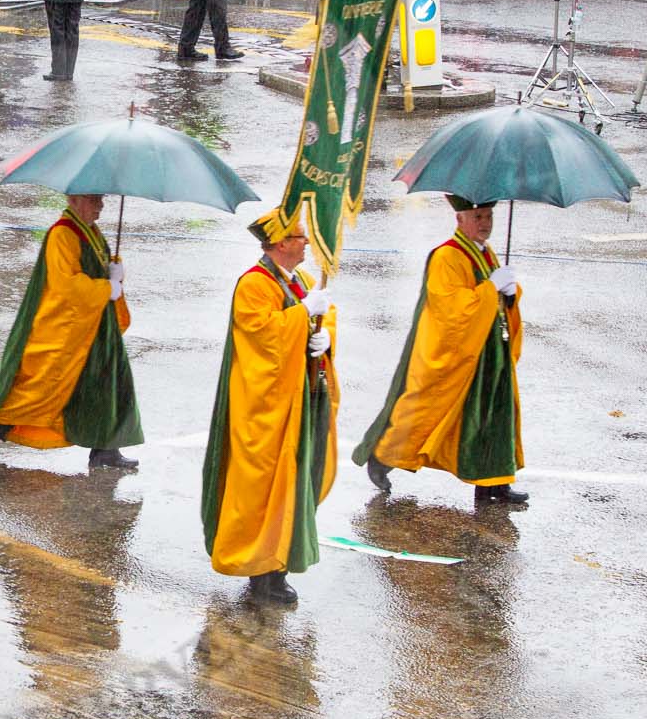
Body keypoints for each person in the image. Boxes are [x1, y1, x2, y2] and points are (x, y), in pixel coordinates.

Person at [201, 208, 338, 605]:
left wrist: (325, 336)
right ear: (279, 244)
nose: (306, 243)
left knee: (292, 484)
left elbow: (324, 319)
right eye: (298, 237)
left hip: (299, 398)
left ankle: (278, 564)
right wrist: (302, 317)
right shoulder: (253, 284)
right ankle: (260, 573)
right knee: (262, 489)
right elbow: (260, 338)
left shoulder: (305, 281)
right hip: (264, 407)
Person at [354, 195, 527, 508]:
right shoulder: (446, 256)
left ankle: (494, 483)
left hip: (490, 351)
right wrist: (491, 289)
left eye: (488, 216)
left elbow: (493, 300)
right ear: (460, 219)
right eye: (478, 217)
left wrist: (511, 294)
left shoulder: (486, 254)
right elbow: (450, 308)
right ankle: (384, 455)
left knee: (496, 416)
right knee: (427, 410)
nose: (485, 223)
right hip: (463, 352)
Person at [0, 192, 140, 471]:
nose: (101, 206)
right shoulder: (62, 235)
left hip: (93, 324)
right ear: (74, 200)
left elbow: (93, 268)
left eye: (101, 199)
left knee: (108, 382)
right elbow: (66, 285)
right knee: (45, 388)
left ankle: (106, 448)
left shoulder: (90, 232)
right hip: (67, 328)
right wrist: (109, 288)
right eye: (94, 199)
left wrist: (113, 270)